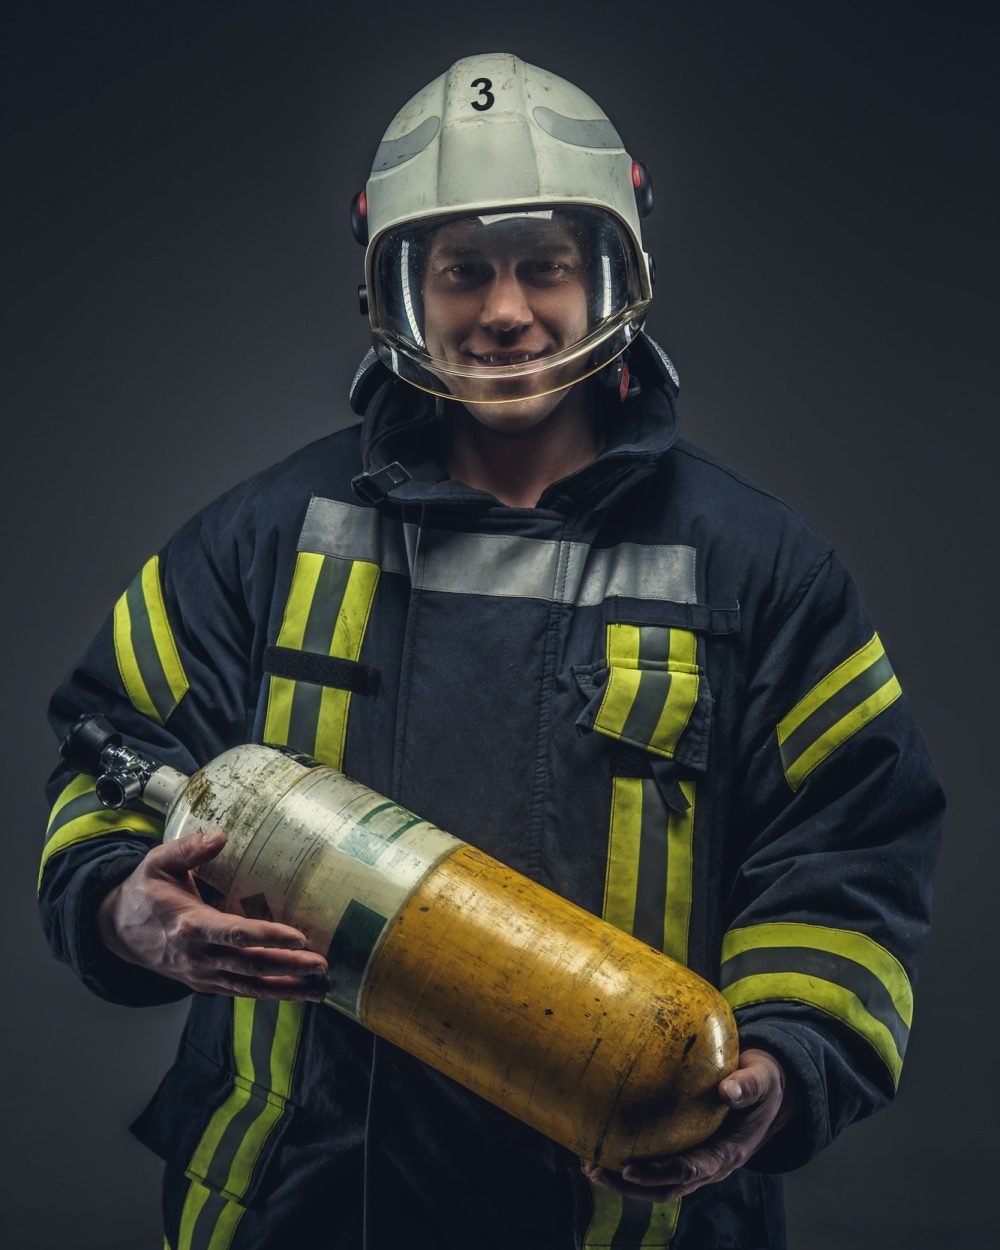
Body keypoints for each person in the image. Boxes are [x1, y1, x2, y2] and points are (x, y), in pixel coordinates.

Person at [39, 52, 944, 1250]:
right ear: (395, 290)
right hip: (301, 1205)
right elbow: (106, 750)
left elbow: (848, 851)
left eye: (545, 264)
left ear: (612, 269)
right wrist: (123, 909)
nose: (506, 309)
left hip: (626, 1211)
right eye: (462, 270)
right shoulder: (264, 537)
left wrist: (777, 1062)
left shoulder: (757, 570)